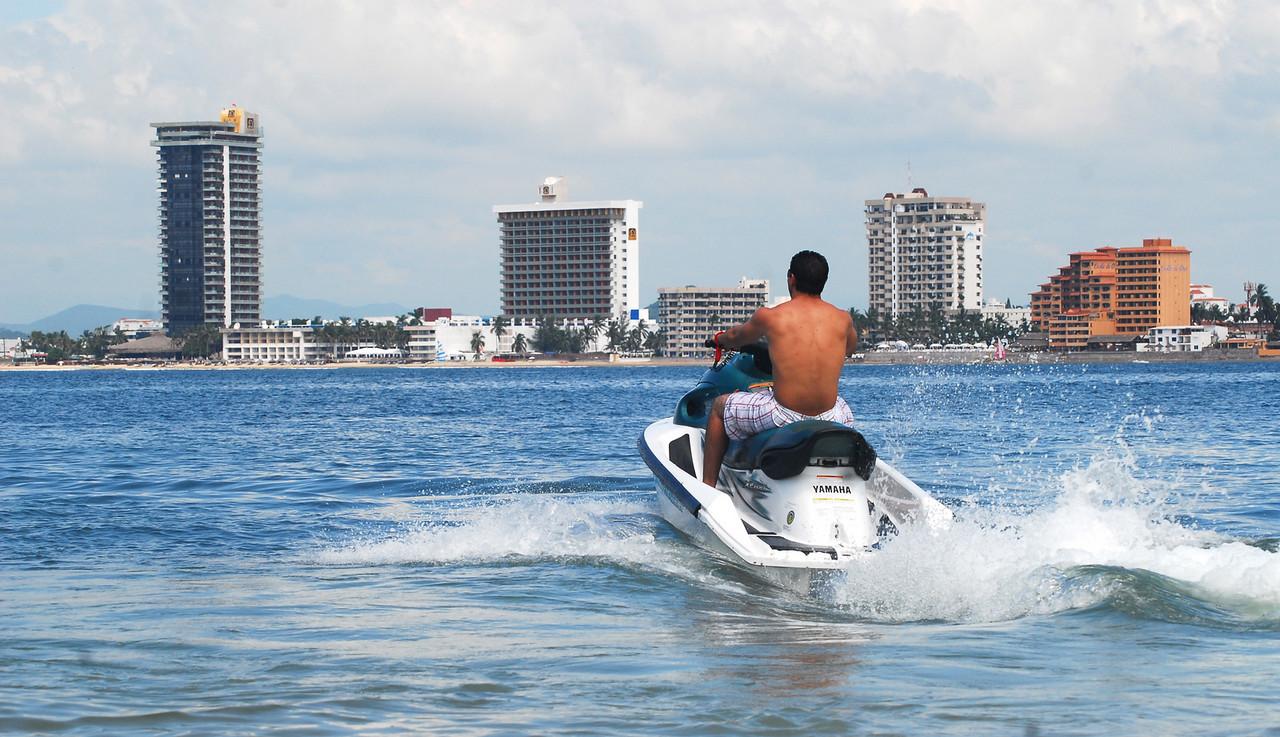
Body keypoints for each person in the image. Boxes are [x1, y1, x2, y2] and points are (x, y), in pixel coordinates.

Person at [702, 250, 858, 488]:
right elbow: (849, 349)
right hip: (831, 416)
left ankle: (706, 489)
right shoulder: (842, 319)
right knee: (844, 407)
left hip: (784, 415)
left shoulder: (771, 317)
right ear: (824, 281)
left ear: (791, 278)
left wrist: (720, 340)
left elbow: (737, 337)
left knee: (719, 407)